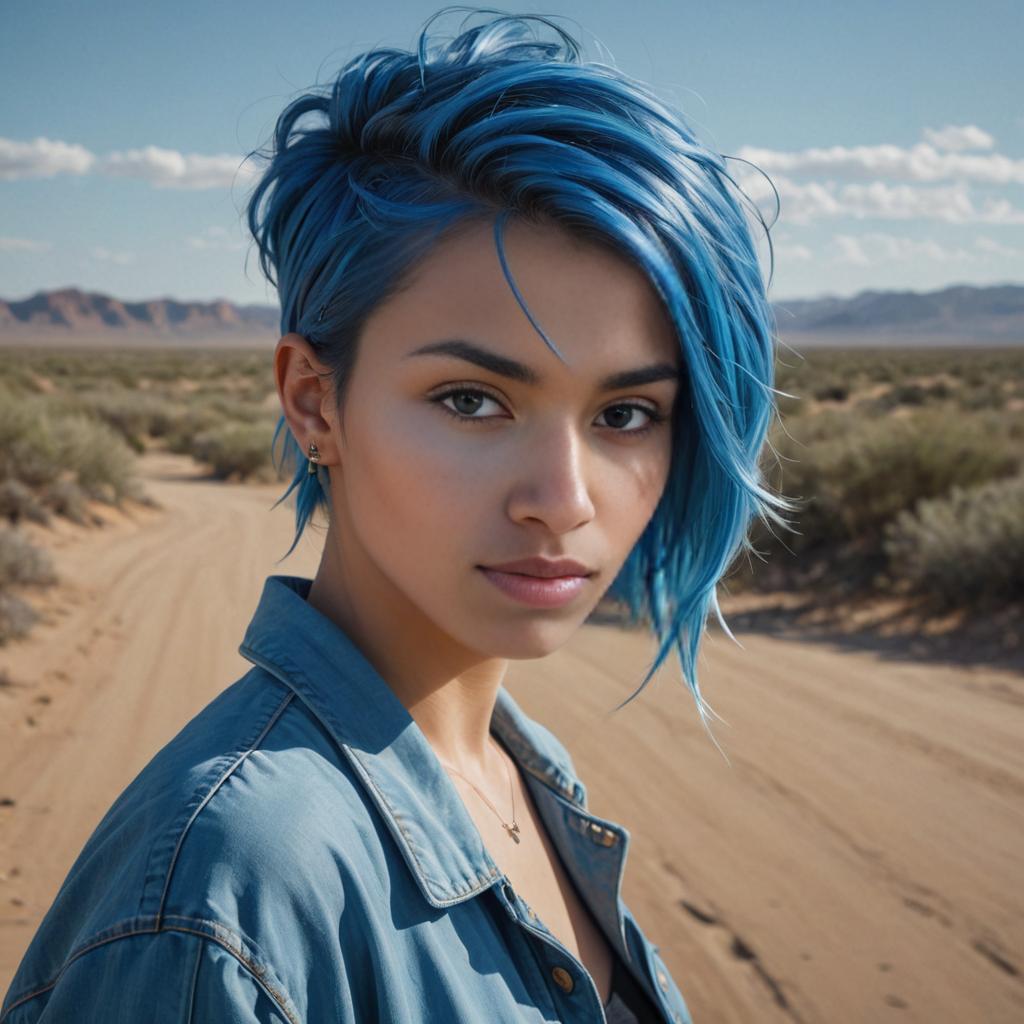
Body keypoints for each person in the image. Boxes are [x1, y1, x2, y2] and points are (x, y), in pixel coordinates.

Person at [1, 7, 793, 1022]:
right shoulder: (229, 896)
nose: (562, 498)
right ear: (314, 402)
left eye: (626, 413)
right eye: (472, 400)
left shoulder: (518, 774)